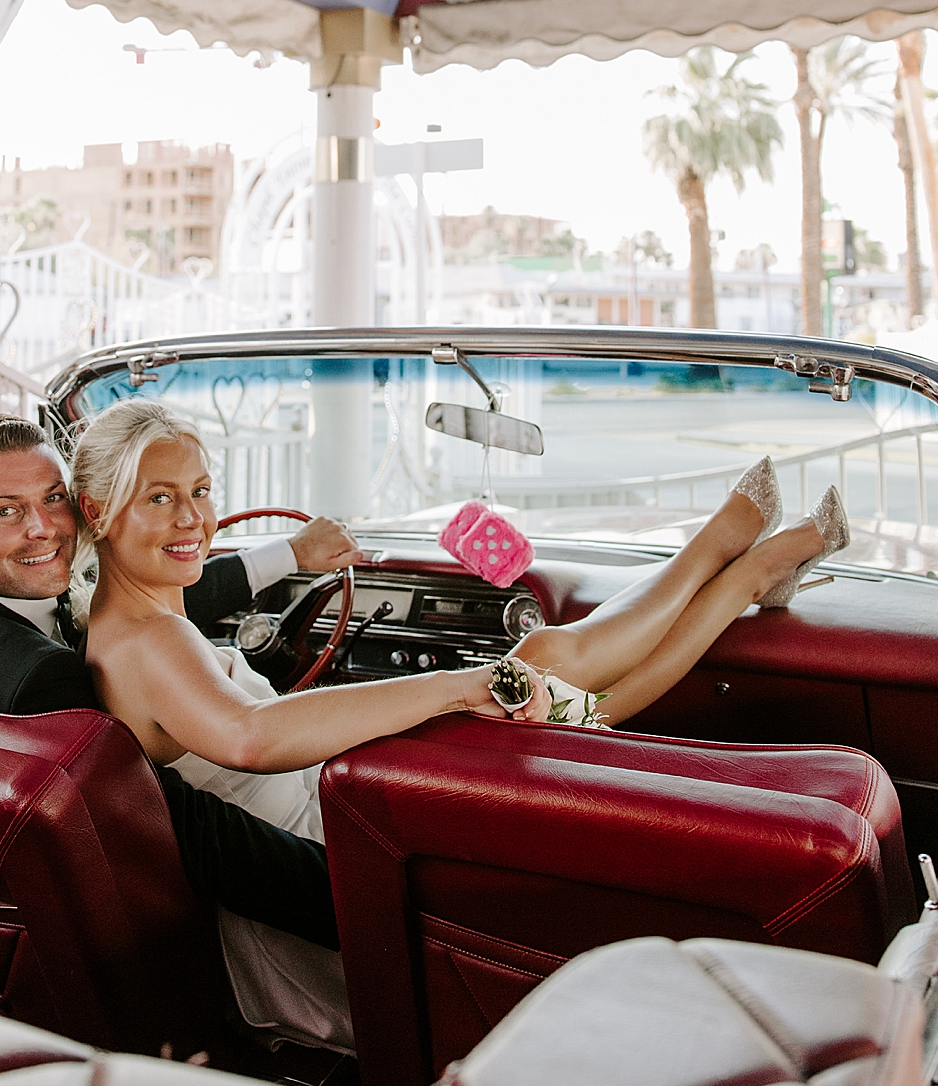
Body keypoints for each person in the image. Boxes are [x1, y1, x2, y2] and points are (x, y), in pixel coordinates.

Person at [72, 398, 850, 1049]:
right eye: (159, 497)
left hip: (336, 816)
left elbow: (214, 600)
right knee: (547, 669)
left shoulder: (126, 614)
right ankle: (732, 559)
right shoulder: (148, 639)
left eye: (201, 490)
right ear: (98, 512)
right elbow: (251, 735)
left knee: (565, 687)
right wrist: (452, 686)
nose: (193, 519)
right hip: (330, 855)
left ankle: (739, 564)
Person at [0, 412, 362, 951]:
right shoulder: (35, 680)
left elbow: (150, 593)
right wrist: (362, 906)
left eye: (53, 498)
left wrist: (290, 554)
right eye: (5, 511)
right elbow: (185, 825)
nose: (45, 528)